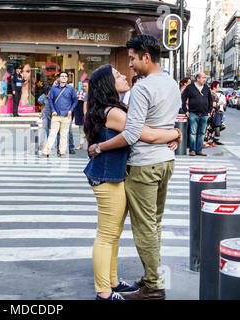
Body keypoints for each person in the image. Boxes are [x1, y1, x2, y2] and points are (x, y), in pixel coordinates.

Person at [88, 34, 182, 300]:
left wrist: (100, 147)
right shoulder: (173, 84)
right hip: (166, 161)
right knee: (154, 224)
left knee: (144, 228)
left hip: (143, 164)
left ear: (146, 57)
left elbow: (133, 135)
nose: (130, 64)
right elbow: (163, 125)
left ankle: (153, 285)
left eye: (131, 58)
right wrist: (174, 133)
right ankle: (150, 276)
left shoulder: (141, 88)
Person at [39, 71, 78, 158]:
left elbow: (75, 100)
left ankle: (62, 152)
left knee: (64, 134)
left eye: (65, 76)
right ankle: (46, 152)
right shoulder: (54, 88)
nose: (64, 77)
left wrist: (71, 110)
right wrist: (53, 110)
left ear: (67, 78)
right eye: (62, 76)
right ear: (59, 78)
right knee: (53, 133)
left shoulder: (70, 89)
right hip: (56, 115)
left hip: (66, 115)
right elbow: (50, 100)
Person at [181, 72, 212, 156]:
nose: (204, 79)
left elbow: (210, 100)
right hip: (193, 113)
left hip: (204, 114)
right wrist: (185, 110)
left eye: (205, 78)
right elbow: (183, 98)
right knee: (193, 133)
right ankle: (192, 150)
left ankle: (199, 150)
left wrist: (209, 111)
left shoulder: (206, 88)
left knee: (202, 133)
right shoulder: (190, 87)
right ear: (197, 78)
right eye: (203, 77)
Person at [204, 81, 224, 148]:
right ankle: (207, 141)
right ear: (214, 87)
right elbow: (213, 104)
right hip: (212, 112)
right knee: (209, 127)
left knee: (211, 127)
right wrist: (219, 103)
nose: (219, 88)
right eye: (218, 86)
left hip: (213, 112)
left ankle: (210, 141)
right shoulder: (212, 94)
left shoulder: (212, 93)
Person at [75, 81, 88, 150]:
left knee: (89, 131)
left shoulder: (92, 93)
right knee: (81, 129)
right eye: (83, 86)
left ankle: (90, 146)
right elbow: (75, 102)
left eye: (85, 86)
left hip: (88, 113)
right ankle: (81, 144)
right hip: (80, 113)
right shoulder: (79, 93)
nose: (84, 88)